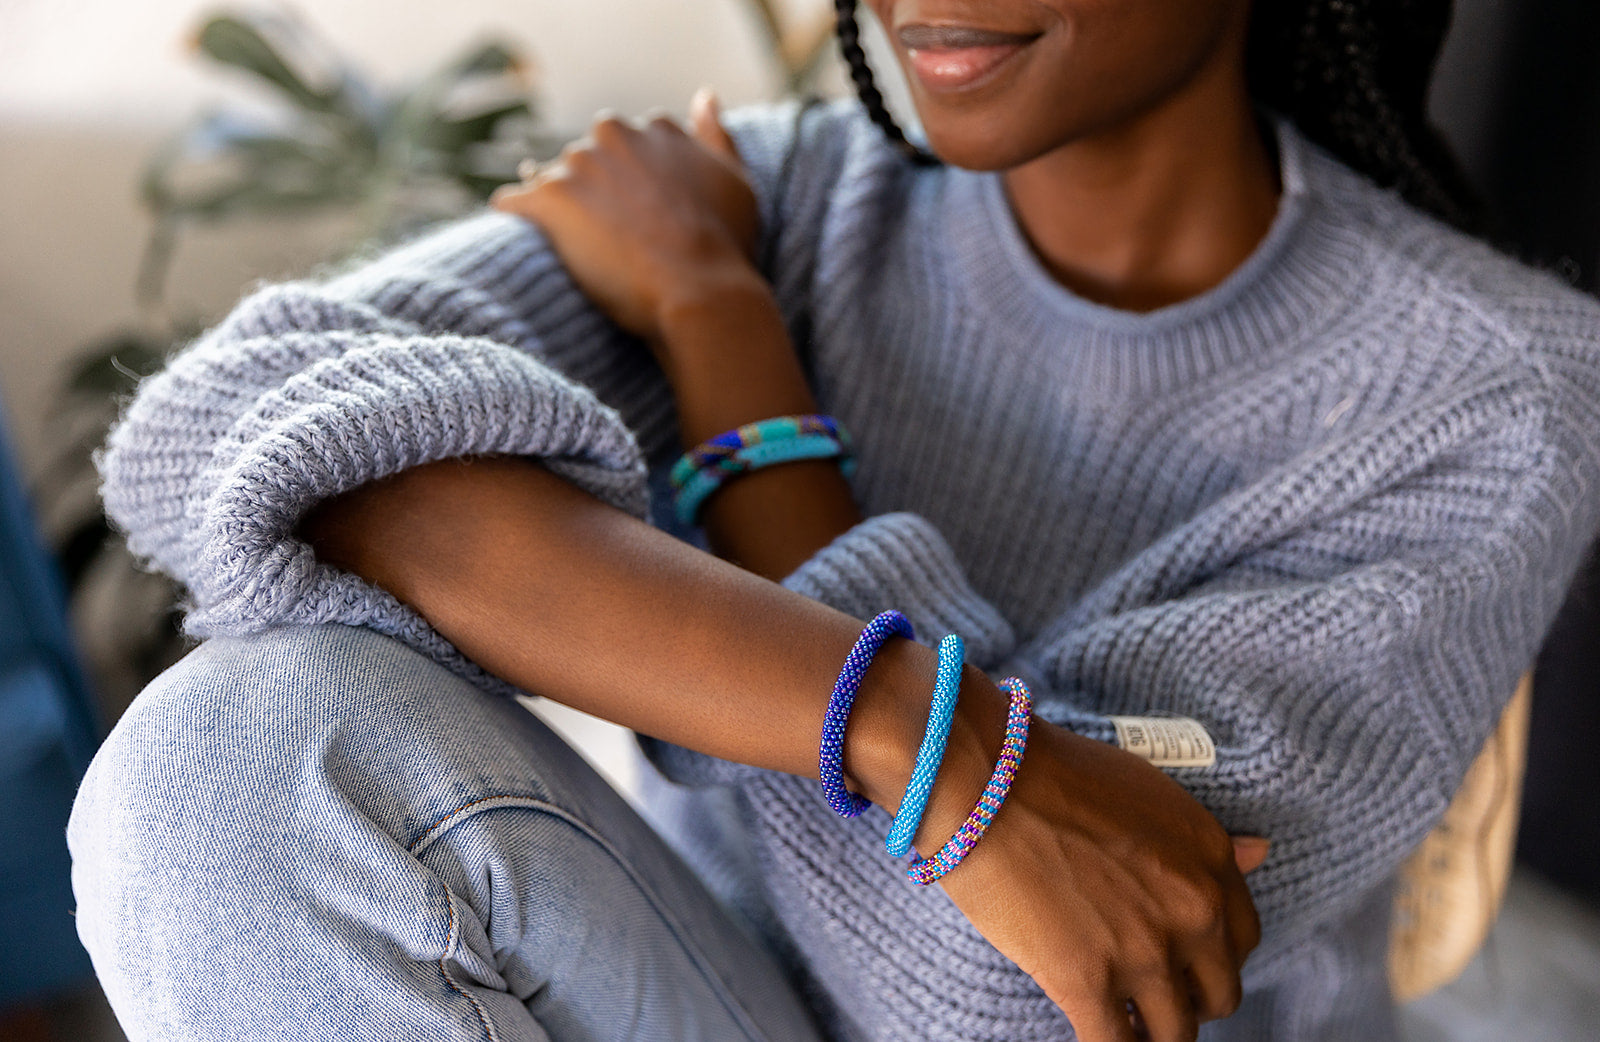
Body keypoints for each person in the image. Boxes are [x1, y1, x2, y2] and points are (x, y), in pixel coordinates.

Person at [67, 0, 1600, 1039]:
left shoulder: (1492, 394)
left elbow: (993, 992)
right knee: (233, 751)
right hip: (699, 984)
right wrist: (912, 733)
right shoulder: (786, 193)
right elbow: (240, 424)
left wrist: (723, 337)